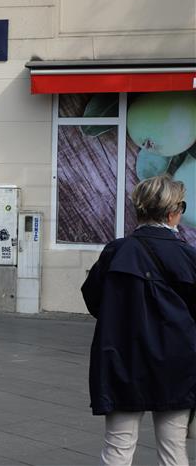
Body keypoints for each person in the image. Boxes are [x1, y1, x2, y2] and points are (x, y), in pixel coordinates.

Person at [82, 175, 196, 465]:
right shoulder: (188, 256)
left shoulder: (115, 252)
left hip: (121, 359)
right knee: (173, 451)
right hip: (177, 363)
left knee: (117, 449)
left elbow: (94, 300)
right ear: (172, 213)